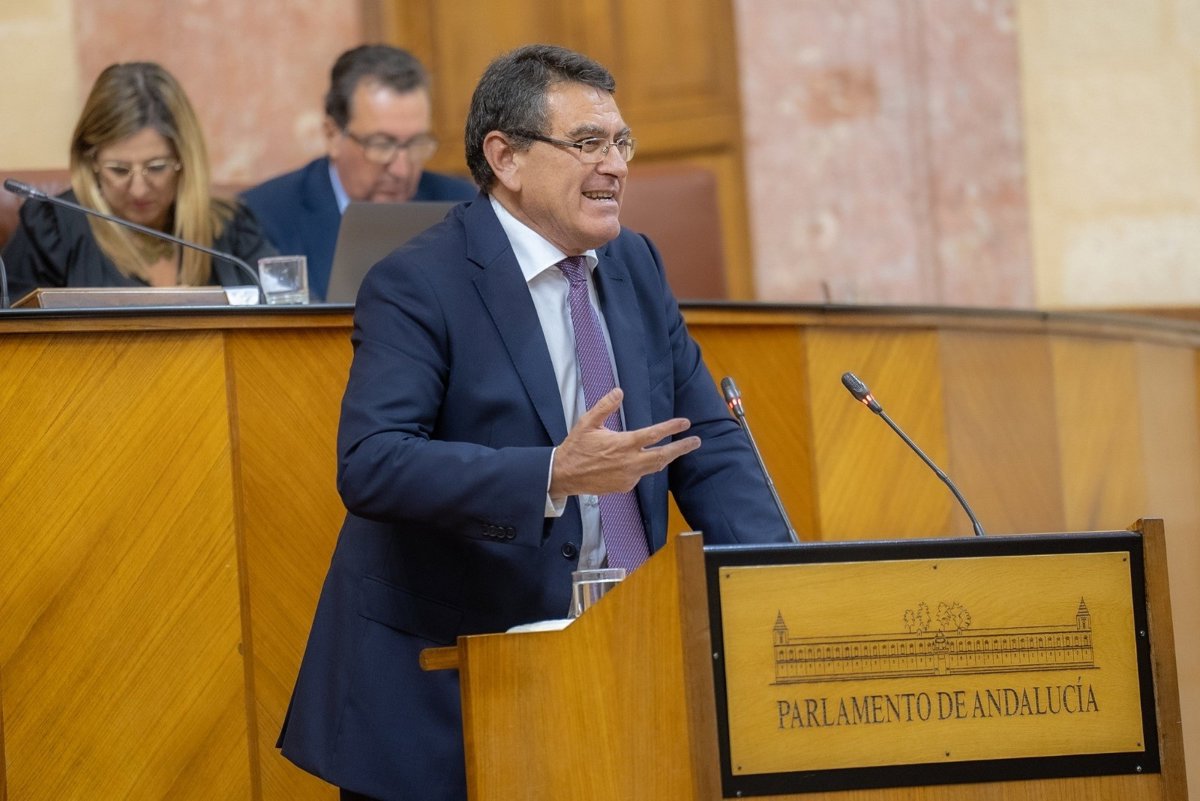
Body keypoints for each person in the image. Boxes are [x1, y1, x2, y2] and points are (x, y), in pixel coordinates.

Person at [278, 44, 793, 801]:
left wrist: (780, 579)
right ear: (506, 157)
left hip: (624, 661)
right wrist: (551, 473)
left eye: (621, 142)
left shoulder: (636, 264)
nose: (615, 165)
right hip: (449, 691)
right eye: (587, 143)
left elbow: (705, 441)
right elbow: (373, 462)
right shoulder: (418, 282)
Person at [2, 62, 275, 302]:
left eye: (157, 168)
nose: (139, 189)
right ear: (90, 160)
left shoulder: (231, 227)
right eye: (119, 170)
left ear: (184, 160)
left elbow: (282, 312)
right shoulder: (52, 229)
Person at [241, 45, 476, 301]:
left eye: (416, 144)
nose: (401, 169)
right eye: (381, 144)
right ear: (333, 135)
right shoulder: (264, 216)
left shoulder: (462, 205)